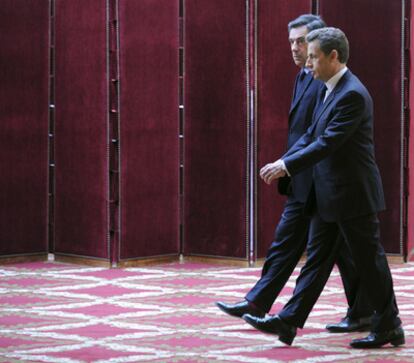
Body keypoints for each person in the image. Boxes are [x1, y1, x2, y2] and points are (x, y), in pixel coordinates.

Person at [243, 27, 404, 349]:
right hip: (330, 193)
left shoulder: (351, 94)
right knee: (316, 259)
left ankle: (390, 326)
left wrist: (287, 166)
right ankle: (289, 321)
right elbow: (311, 135)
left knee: (370, 261)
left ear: (333, 56)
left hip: (353, 194)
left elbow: (328, 143)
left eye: (314, 56)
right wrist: (283, 159)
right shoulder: (329, 88)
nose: (308, 63)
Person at [216, 14, 372, 333]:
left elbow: (323, 137)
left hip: (320, 180)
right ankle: (264, 302)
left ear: (320, 45)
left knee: (338, 252)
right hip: (303, 176)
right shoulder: (304, 75)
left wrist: (288, 164)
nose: (296, 49)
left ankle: (366, 314)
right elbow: (305, 130)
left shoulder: (325, 79)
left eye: (301, 42)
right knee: (313, 247)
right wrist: (286, 163)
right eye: (291, 42)